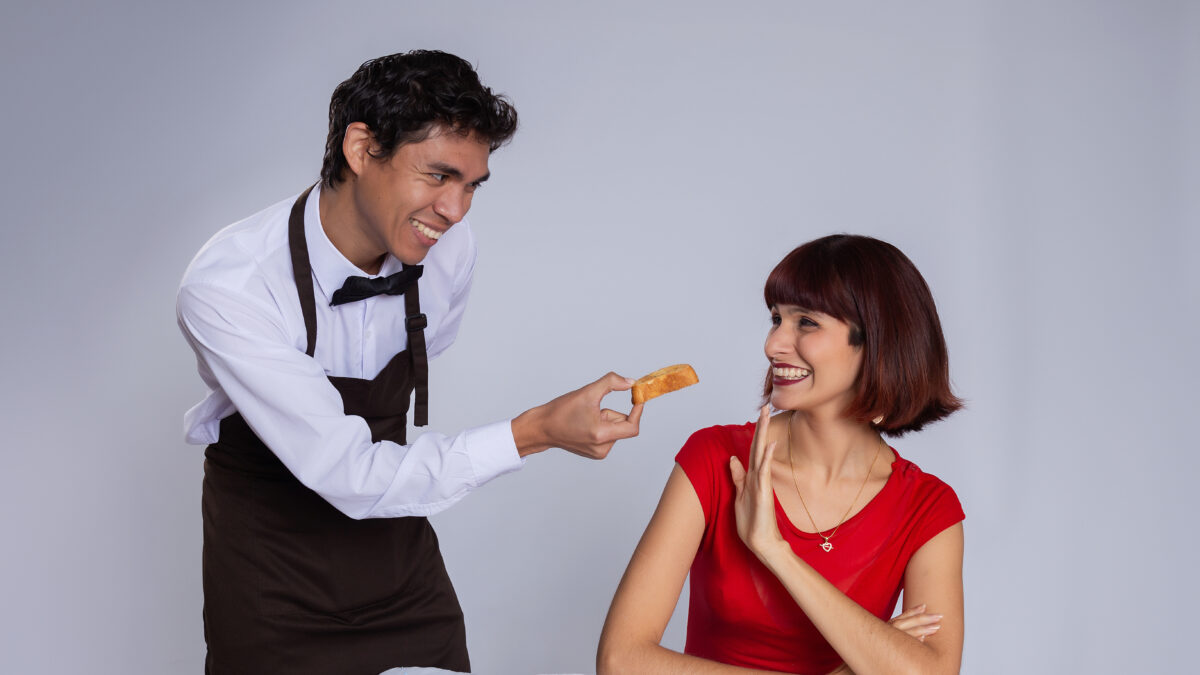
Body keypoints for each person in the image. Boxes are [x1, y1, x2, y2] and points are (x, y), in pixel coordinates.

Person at [177, 50, 643, 674]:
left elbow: (428, 350)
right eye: (438, 175)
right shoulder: (233, 284)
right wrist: (533, 433)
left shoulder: (447, 251)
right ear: (362, 148)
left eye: (471, 185)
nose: (455, 210)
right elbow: (346, 473)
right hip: (273, 579)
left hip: (399, 566)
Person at [598, 234, 965, 674]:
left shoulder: (927, 508)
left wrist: (776, 552)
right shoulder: (715, 459)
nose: (773, 344)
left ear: (877, 341)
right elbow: (621, 661)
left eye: (806, 322)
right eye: (776, 318)